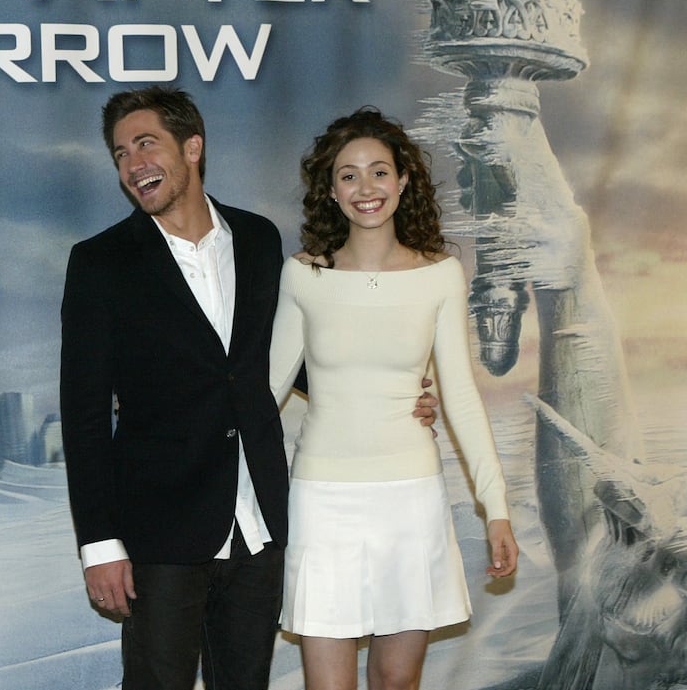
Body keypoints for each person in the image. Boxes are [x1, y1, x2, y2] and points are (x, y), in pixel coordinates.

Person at [59, 87, 438, 690]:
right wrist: (99, 544)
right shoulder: (101, 263)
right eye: (121, 154)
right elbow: (82, 415)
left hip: (259, 527)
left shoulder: (259, 240)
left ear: (193, 147)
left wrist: (389, 389)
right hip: (162, 533)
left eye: (146, 144)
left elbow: (285, 361)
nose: (134, 165)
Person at [269, 106, 519, 690]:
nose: (365, 188)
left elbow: (459, 395)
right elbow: (264, 391)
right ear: (330, 191)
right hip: (322, 498)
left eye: (379, 172)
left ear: (404, 181)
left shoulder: (440, 276)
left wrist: (496, 506)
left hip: (410, 499)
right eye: (348, 174)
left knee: (396, 684)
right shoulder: (303, 275)